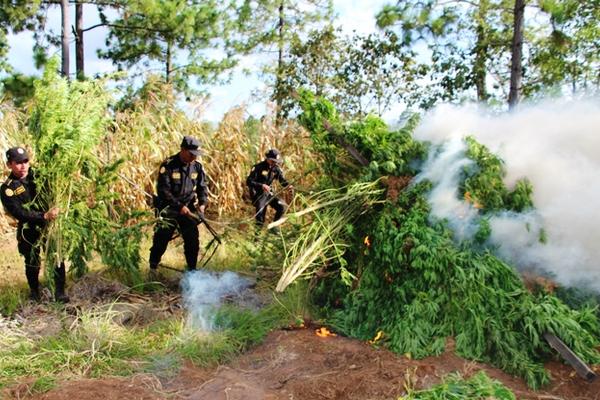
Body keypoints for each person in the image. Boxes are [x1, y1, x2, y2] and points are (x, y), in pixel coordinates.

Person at [1, 147, 69, 302]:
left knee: (56, 255)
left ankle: (60, 291)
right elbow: (18, 212)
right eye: (18, 163)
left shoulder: (40, 175)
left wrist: (58, 205)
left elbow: (57, 188)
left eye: (25, 161)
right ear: (9, 165)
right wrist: (43, 216)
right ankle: (34, 291)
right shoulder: (8, 188)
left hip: (50, 225)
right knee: (32, 261)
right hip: (28, 228)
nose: (23, 165)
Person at [149, 136, 208, 272]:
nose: (194, 158)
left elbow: (202, 187)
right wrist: (179, 207)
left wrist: (203, 203)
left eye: (196, 155)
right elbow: (163, 191)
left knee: (192, 241)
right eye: (191, 154)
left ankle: (192, 271)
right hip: (169, 208)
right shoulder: (168, 165)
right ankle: (153, 268)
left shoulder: (197, 167)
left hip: (188, 207)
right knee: (161, 239)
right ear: (182, 150)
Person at [246, 149, 293, 229]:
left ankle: (274, 227)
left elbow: (282, 180)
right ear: (268, 159)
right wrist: (262, 185)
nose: (274, 163)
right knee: (260, 219)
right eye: (272, 161)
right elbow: (249, 182)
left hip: (269, 194)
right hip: (259, 195)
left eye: (276, 162)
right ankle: (257, 239)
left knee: (282, 207)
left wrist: (288, 185)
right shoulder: (258, 167)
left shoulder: (276, 169)